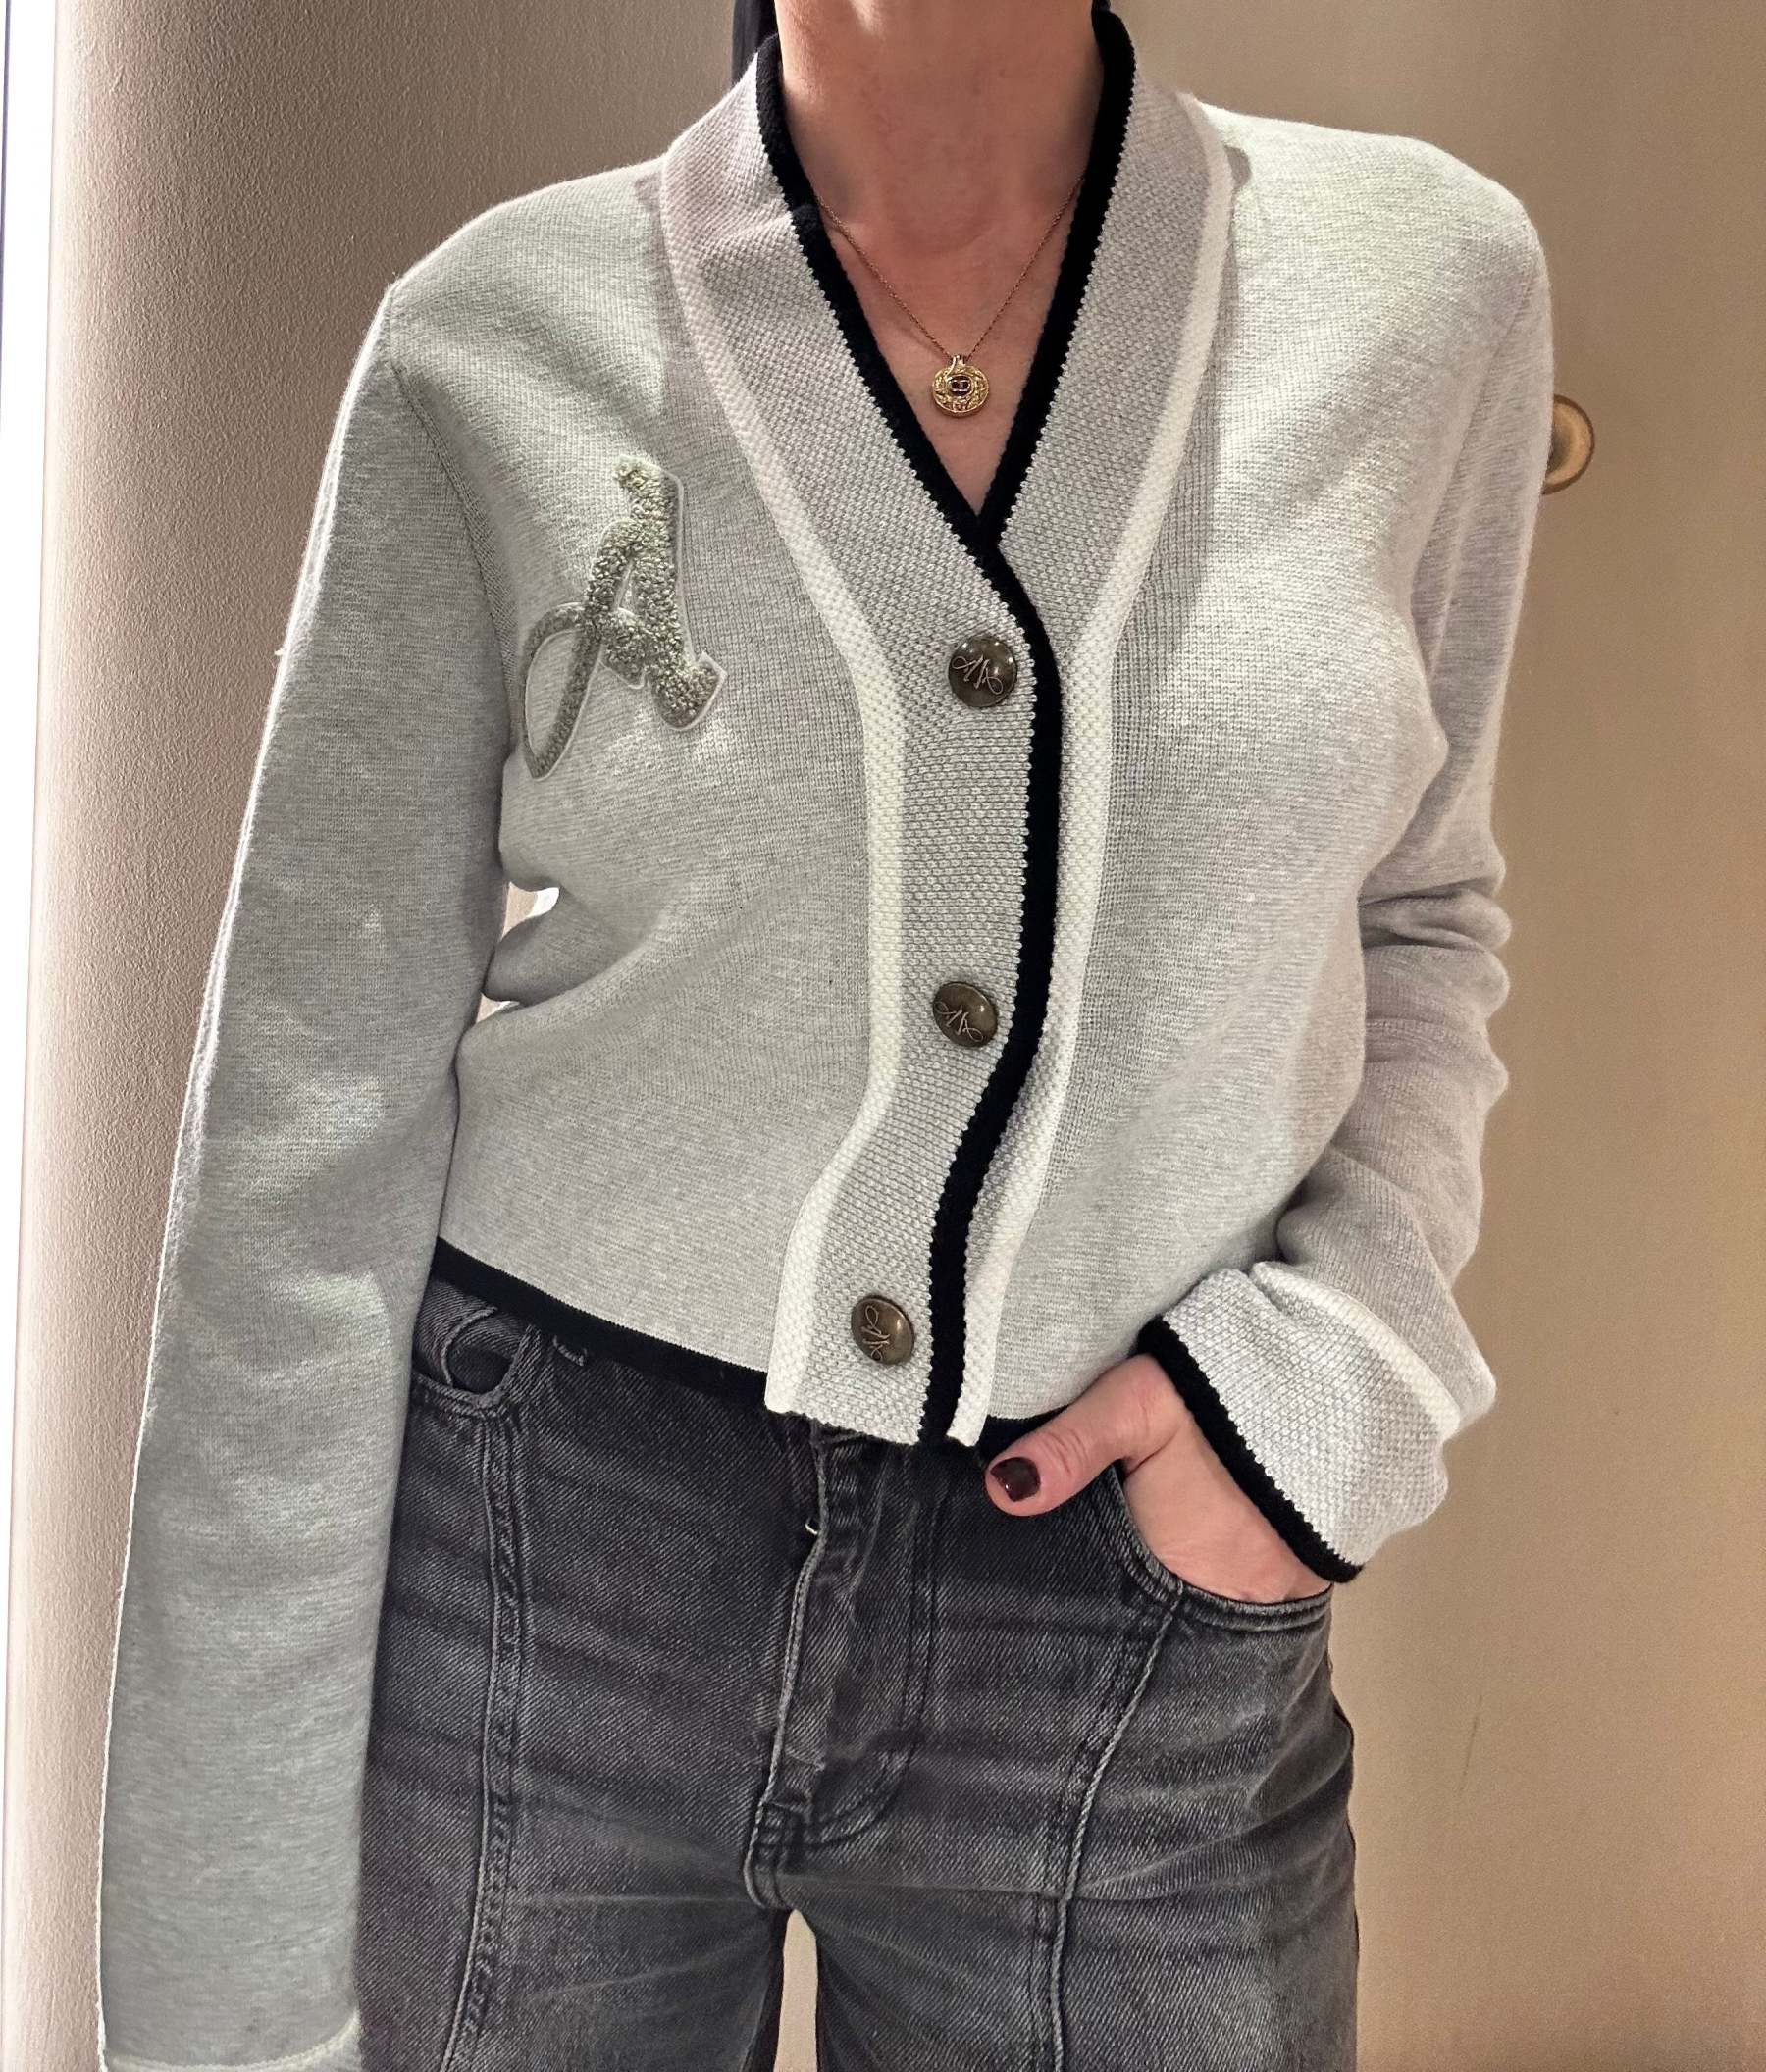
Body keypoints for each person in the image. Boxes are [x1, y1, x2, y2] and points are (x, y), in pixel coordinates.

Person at [94, 0, 1555, 2066]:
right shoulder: (491, 341)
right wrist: (222, 2013)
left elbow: (1421, 914)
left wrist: (1318, 1394)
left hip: (1131, 1634)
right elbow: (301, 1131)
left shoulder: (1427, 287)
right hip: (540, 1566)